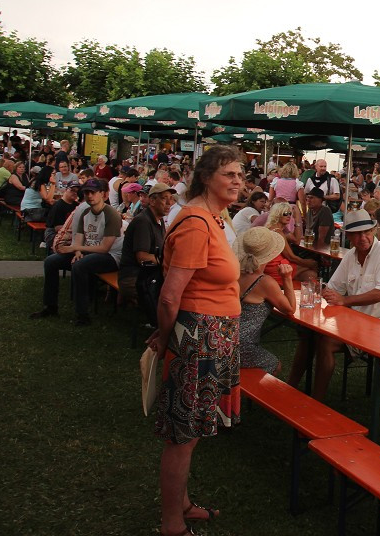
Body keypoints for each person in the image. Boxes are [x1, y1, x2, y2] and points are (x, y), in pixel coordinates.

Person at [146, 146, 244, 536]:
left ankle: (182, 504)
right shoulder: (196, 224)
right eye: (229, 174)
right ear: (205, 178)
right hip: (199, 338)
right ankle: (172, 523)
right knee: (182, 436)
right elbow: (170, 295)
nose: (237, 180)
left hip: (213, 336)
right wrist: (168, 339)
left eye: (240, 174)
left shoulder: (215, 220)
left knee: (193, 430)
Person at [290, 209, 380, 399]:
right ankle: (290, 388)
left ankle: (316, 401)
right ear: (349, 236)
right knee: (307, 333)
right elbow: (334, 286)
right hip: (356, 321)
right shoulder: (351, 255)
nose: (363, 237)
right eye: (357, 234)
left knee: (325, 341)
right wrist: (326, 291)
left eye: (367, 232)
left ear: (374, 230)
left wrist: (344, 300)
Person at [33, 178, 123, 326]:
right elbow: (79, 239)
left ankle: (83, 315)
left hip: (112, 256)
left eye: (93, 192)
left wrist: (76, 249)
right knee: (51, 262)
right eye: (86, 192)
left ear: (103, 194)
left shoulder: (112, 215)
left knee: (79, 266)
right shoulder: (84, 212)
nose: (89, 196)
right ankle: (50, 306)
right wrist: (77, 251)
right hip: (90, 250)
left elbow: (104, 248)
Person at [234, 227, 295, 375]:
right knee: (275, 365)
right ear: (271, 255)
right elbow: (290, 309)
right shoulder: (264, 282)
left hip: (227, 338)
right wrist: (287, 278)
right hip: (243, 345)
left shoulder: (235, 272)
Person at [118, 183, 174, 306]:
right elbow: (142, 257)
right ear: (153, 201)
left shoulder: (158, 220)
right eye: (165, 198)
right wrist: (169, 261)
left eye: (171, 198)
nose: (170, 203)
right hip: (135, 278)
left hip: (147, 275)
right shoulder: (143, 222)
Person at [264, 201, 318, 283]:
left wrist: (297, 219)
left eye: (290, 213)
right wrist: (309, 263)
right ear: (278, 214)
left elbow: (296, 240)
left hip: (273, 266)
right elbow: (291, 257)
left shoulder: (274, 228)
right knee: (313, 267)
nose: (289, 216)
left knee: (310, 274)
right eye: (285, 213)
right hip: (276, 268)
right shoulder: (277, 231)